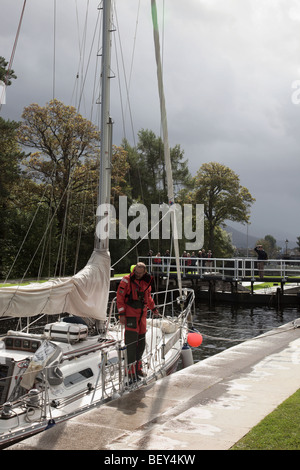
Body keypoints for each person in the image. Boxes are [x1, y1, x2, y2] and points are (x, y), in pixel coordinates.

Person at [116, 262, 158, 380]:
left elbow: (148, 298)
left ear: (144, 272)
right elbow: (119, 298)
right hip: (130, 316)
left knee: (141, 344)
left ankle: (138, 368)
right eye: (136, 272)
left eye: (140, 273)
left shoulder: (146, 282)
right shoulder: (126, 281)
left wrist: (153, 308)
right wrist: (122, 314)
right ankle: (130, 372)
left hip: (142, 317)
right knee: (131, 345)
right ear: (134, 270)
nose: (138, 275)